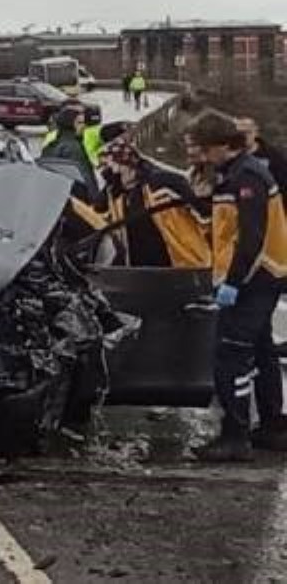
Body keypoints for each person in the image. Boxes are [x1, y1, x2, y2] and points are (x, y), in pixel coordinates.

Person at [189, 113, 287, 461]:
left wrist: (232, 283)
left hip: (255, 279)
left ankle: (235, 434)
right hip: (260, 276)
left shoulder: (247, 177)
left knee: (231, 354)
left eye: (202, 148)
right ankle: (274, 425)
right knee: (261, 350)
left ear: (220, 146)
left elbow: (251, 239)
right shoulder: (234, 174)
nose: (199, 156)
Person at [88, 125, 209, 268]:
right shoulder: (115, 193)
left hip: (179, 266)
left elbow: (204, 215)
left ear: (125, 165)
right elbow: (96, 217)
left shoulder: (162, 183)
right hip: (139, 270)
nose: (107, 171)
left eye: (110, 165)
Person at [238, 116, 287, 212]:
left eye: (248, 132)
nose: (244, 137)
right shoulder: (230, 159)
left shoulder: (272, 156)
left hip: (269, 211)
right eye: (240, 133)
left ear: (256, 133)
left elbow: (283, 185)